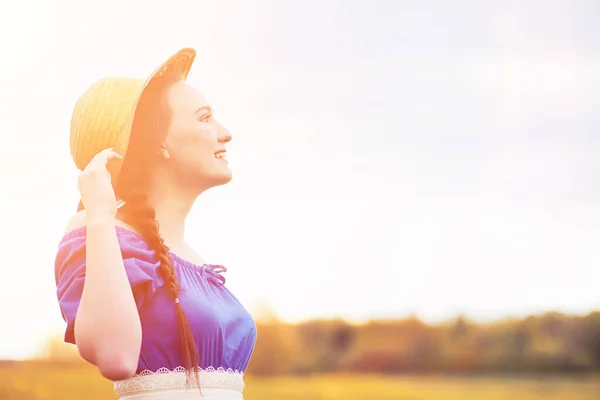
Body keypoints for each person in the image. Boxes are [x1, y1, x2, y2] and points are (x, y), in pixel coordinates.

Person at [54, 48, 257, 400]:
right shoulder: (98, 231)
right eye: (204, 118)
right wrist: (100, 213)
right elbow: (115, 357)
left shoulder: (193, 258)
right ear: (159, 142)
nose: (225, 133)